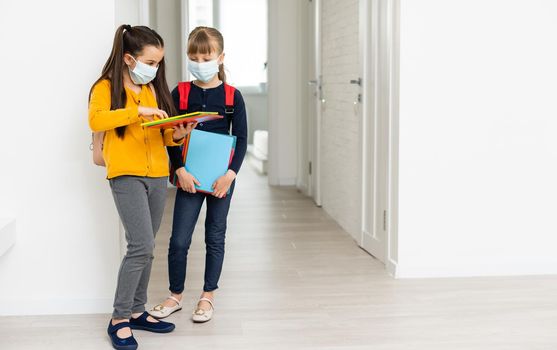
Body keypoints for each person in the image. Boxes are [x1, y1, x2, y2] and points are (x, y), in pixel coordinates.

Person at [88, 24, 195, 350]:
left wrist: (177, 133)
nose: (156, 68)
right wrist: (137, 112)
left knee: (147, 248)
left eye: (159, 62)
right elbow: (97, 121)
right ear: (130, 59)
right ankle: (119, 318)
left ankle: (137, 310)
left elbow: (160, 134)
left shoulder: (149, 90)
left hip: (157, 175)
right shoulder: (106, 87)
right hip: (126, 175)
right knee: (140, 246)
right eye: (151, 61)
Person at [149, 26, 247, 323]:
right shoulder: (180, 92)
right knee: (178, 239)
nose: (200, 62)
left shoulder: (233, 96)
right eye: (194, 56)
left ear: (220, 57)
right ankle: (175, 295)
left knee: (215, 237)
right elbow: (170, 135)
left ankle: (207, 297)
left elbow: (241, 139)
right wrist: (179, 170)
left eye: (206, 56)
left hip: (221, 180)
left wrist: (230, 175)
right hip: (188, 178)